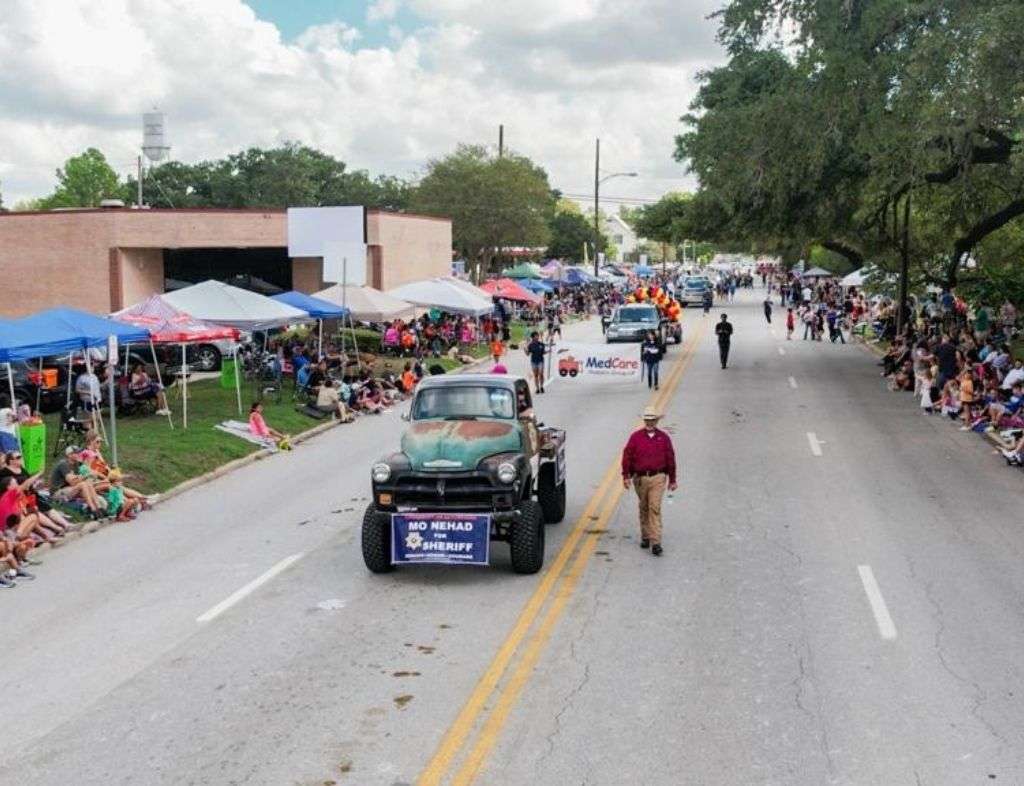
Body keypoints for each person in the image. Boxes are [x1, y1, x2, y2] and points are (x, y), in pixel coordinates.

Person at [621, 407, 677, 557]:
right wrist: (626, 476)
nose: (650, 423)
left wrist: (672, 480)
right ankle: (645, 536)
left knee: (654, 507)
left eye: (652, 420)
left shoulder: (664, 438)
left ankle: (656, 542)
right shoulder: (635, 437)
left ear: (656, 421)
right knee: (644, 507)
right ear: (644, 420)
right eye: (647, 420)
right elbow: (627, 457)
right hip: (640, 478)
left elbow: (671, 458)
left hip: (658, 477)